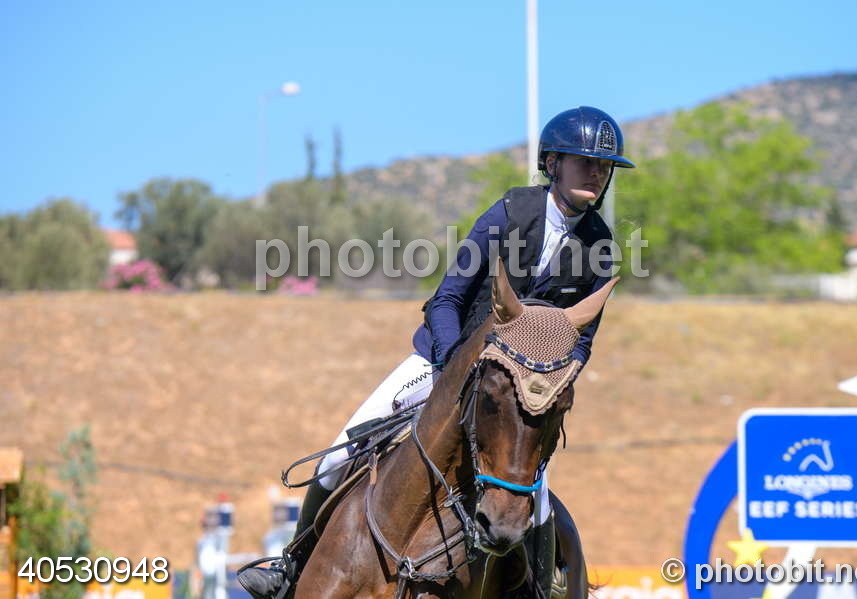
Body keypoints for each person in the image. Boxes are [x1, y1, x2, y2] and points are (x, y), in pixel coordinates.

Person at [239, 105, 635, 598]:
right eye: (585, 162)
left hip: (518, 394)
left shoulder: (601, 246)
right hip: (443, 360)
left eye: (604, 166)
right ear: (552, 163)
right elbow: (446, 299)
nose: (596, 173)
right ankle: (292, 566)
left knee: (538, 505)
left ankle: (536, 590)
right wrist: (452, 368)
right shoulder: (509, 213)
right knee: (335, 458)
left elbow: (582, 341)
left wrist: (550, 384)